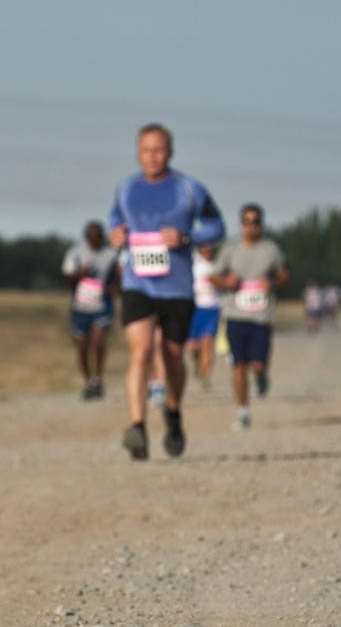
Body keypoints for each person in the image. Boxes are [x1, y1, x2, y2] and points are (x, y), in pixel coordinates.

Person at [108, 123, 225, 460]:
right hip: (137, 284)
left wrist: (188, 238)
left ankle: (173, 413)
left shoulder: (190, 189)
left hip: (176, 288)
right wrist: (115, 234)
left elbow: (217, 226)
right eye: (146, 150)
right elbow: (114, 221)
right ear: (137, 152)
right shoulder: (126, 189)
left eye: (159, 150)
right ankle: (137, 427)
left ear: (170, 153)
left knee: (172, 356)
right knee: (141, 352)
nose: (152, 156)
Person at [211, 204, 289, 430]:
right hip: (235, 313)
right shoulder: (231, 249)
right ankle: (243, 411)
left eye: (256, 221)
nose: (251, 226)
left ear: (261, 224)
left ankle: (262, 375)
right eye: (247, 221)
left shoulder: (271, 249)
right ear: (241, 223)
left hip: (261, 317)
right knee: (238, 365)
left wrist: (272, 283)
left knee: (257, 363)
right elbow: (213, 276)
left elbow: (284, 274)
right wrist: (226, 283)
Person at [61, 220, 118, 400]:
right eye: (92, 237)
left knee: (98, 341)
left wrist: (114, 288)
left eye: (98, 237)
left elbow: (119, 276)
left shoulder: (111, 254)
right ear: (86, 237)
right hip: (80, 307)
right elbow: (67, 276)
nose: (95, 240)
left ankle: (98, 378)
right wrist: (80, 273)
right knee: (82, 346)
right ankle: (88, 381)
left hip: (102, 306)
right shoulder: (75, 253)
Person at [185, 243, 222, 390]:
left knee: (208, 344)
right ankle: (196, 361)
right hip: (194, 308)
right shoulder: (193, 263)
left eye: (210, 248)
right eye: (205, 248)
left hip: (212, 309)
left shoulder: (218, 265)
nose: (208, 251)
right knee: (193, 347)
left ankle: (205, 377)